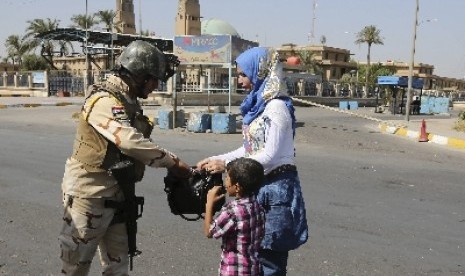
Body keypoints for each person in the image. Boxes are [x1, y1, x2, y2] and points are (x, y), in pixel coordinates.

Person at [59, 40, 192, 275]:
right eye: (153, 79)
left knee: (117, 266)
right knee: (76, 268)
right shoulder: (104, 100)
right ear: (139, 75)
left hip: (120, 195)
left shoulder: (128, 101)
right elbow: (129, 141)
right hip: (89, 196)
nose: (155, 85)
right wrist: (172, 161)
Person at [197, 47, 308, 276]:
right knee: (254, 259)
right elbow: (248, 149)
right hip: (259, 185)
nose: (240, 80)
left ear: (260, 73)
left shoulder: (276, 108)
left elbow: (269, 156)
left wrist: (227, 166)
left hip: (276, 190)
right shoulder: (260, 106)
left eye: (243, 75)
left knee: (270, 261)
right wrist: (218, 158)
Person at [204, 157, 265, 276]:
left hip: (233, 270)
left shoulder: (232, 211)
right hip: (253, 269)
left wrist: (209, 203)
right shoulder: (258, 206)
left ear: (237, 187)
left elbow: (209, 232)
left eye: (227, 178)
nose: (225, 181)